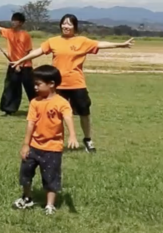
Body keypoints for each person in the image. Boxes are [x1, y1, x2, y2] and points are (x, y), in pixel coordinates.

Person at [10, 14, 133, 153]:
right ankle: (56, 141)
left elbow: (100, 44)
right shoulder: (53, 41)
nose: (66, 26)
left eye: (69, 24)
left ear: (74, 26)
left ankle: (87, 140)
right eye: (63, 23)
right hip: (58, 85)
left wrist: (121, 44)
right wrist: (21, 60)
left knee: (84, 113)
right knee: (56, 115)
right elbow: (38, 51)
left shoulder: (82, 41)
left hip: (77, 83)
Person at [14, 65, 78, 215]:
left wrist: (73, 135)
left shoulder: (61, 102)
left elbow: (67, 117)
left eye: (38, 84)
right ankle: (27, 197)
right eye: (34, 84)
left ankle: (50, 205)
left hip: (52, 148)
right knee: (25, 173)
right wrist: (25, 145)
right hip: (34, 146)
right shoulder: (35, 102)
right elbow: (30, 123)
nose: (35, 87)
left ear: (51, 84)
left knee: (51, 177)